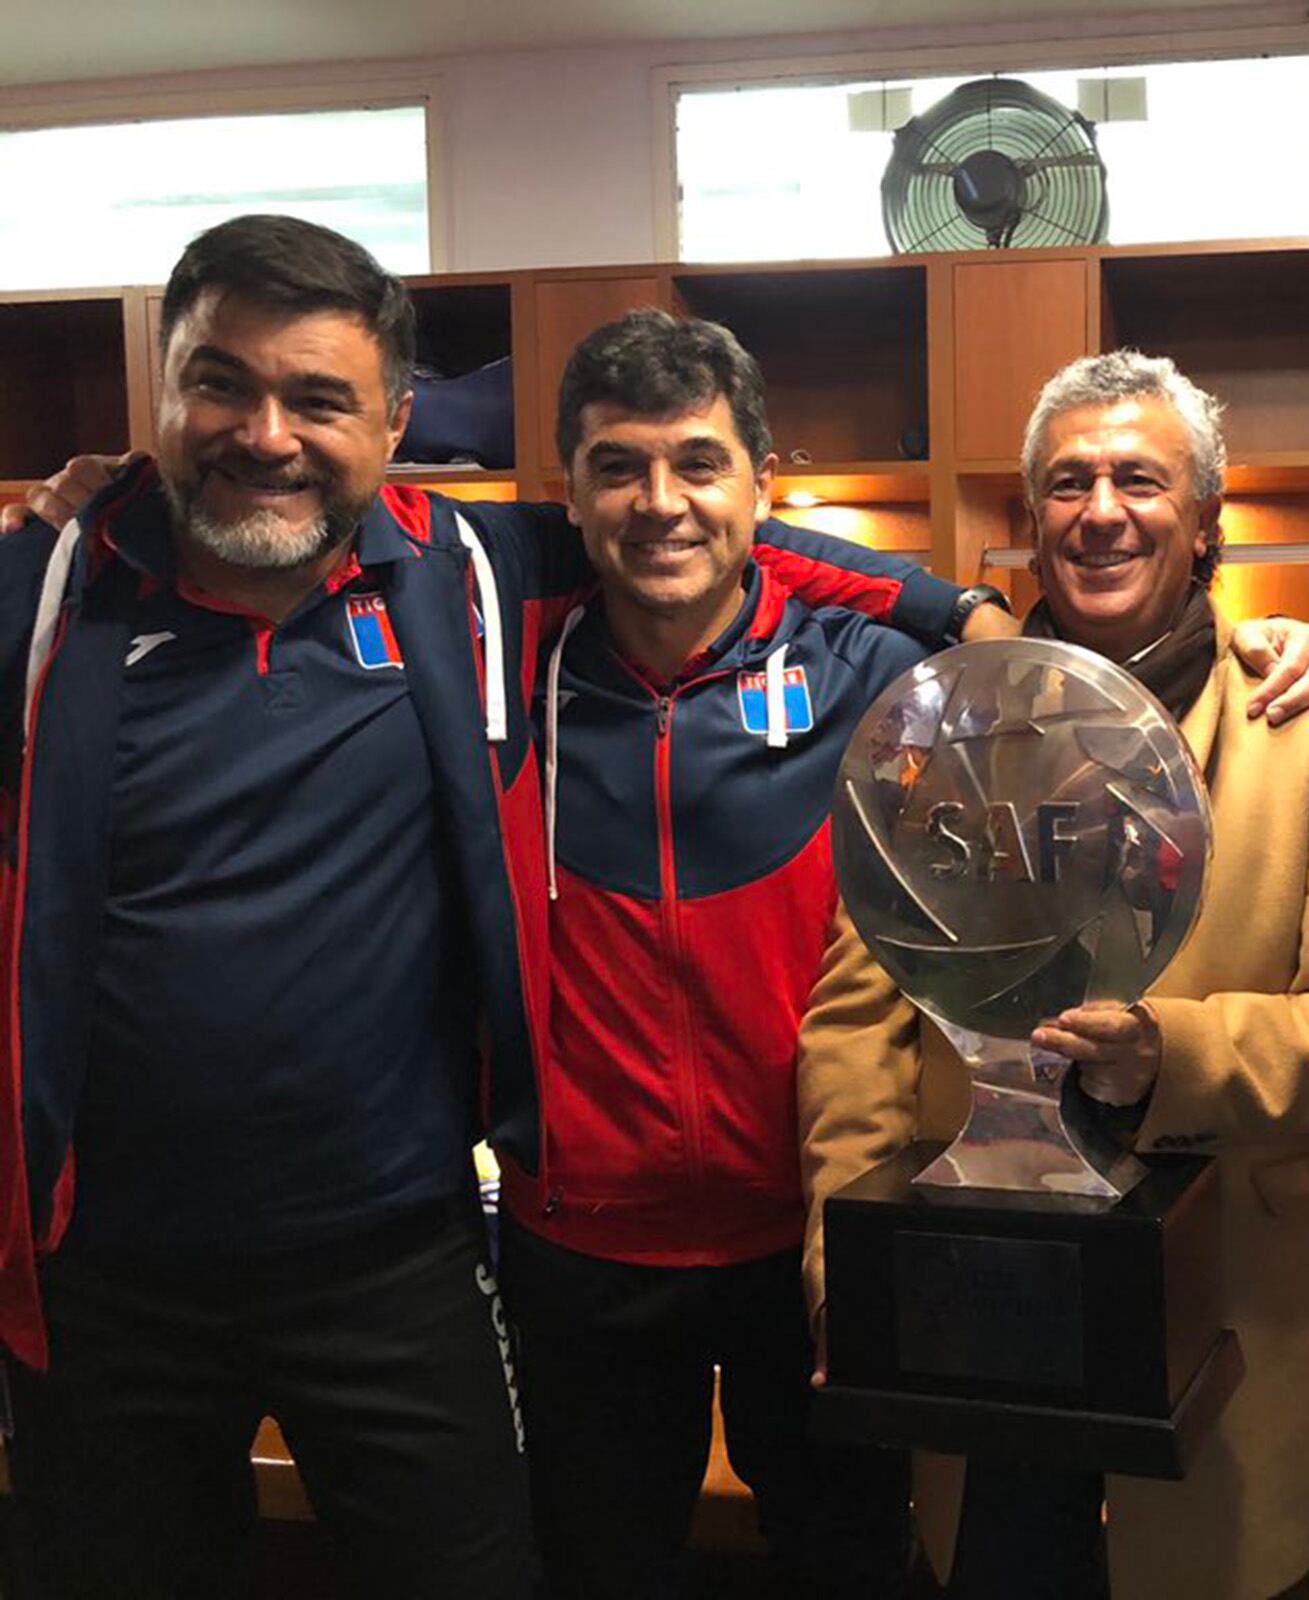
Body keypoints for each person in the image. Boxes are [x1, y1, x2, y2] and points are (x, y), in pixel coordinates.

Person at [0, 216, 967, 1600]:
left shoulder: (457, 573)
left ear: (392, 422)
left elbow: (727, 541)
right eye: (221, 383)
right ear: (160, 395)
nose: (265, 434)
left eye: (319, 398)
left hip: (396, 1251)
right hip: (110, 1273)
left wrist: (972, 607)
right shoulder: (39, 597)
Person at [926, 350, 1309, 1600]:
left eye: (1140, 480)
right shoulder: (934, 727)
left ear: (1205, 519)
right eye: (1068, 483)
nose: (1103, 510)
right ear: (1029, 524)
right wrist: (846, 1284)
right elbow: (859, 1033)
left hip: (1236, 1325)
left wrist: (1178, 1054)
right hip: (986, 1319)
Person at [496, 308, 924, 1598]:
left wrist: (1271, 638)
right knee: (597, 1570)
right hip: (584, 1254)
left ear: (762, 486)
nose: (659, 501)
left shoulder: (877, 673)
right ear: (569, 492)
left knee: (849, 1564)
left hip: (815, 1244)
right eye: (618, 466)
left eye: (698, 463)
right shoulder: (502, 666)